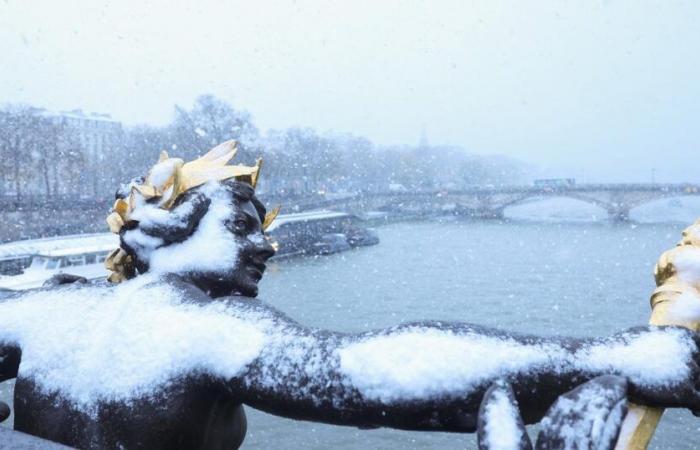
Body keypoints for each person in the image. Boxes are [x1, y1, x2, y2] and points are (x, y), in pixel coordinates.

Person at [1, 141, 700, 449]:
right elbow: (369, 372)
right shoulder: (201, 328)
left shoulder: (43, 309)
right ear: (158, 231)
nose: (266, 244)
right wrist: (615, 358)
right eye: (243, 224)